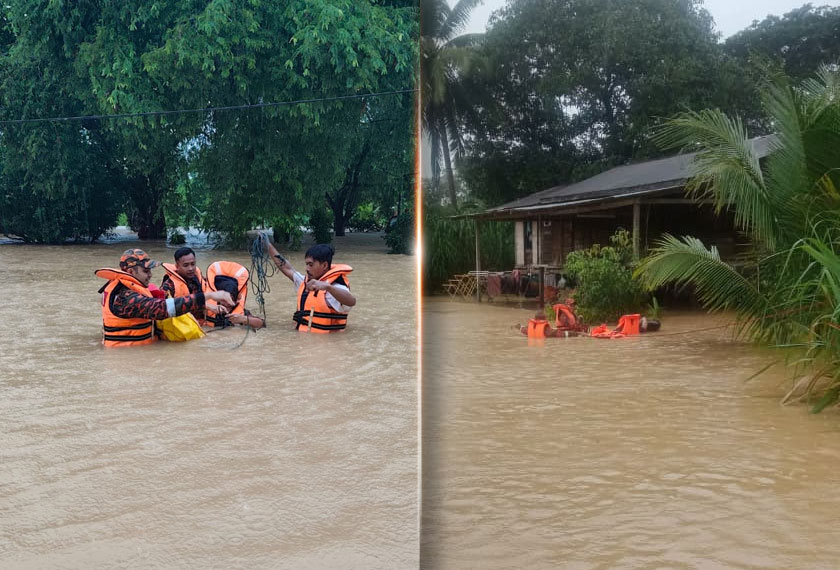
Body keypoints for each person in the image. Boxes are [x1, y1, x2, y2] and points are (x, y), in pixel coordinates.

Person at [95, 248, 234, 347]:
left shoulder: (124, 287)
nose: (150, 275)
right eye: (146, 271)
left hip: (142, 349)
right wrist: (209, 296)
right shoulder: (126, 297)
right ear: (131, 272)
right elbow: (163, 309)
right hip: (129, 355)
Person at [262, 236, 356, 333]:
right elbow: (286, 268)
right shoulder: (305, 282)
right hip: (303, 338)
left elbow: (351, 301)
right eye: (306, 264)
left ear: (324, 265)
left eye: (311, 265)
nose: (307, 269)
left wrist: (327, 287)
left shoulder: (335, 287)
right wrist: (268, 245)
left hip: (326, 340)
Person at [204, 261, 265, 329]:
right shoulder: (205, 309)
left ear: (236, 299)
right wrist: (208, 306)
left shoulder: (240, 312)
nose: (228, 303)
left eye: (231, 299)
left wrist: (244, 319)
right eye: (225, 299)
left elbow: (262, 324)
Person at [160, 247, 206, 319]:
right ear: (177, 266)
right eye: (186, 265)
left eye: (193, 264)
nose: (190, 268)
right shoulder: (168, 286)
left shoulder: (200, 279)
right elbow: (161, 309)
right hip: (183, 324)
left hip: (201, 322)